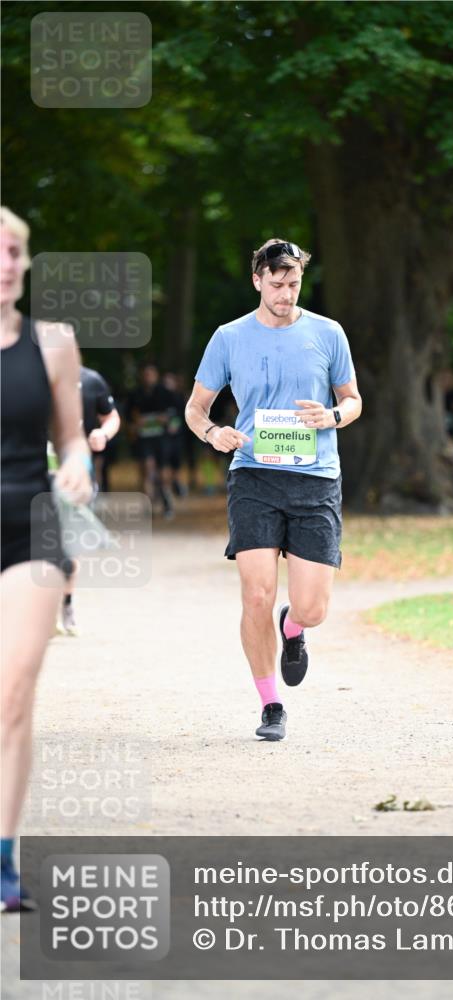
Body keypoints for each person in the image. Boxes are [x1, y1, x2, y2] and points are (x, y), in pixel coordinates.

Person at [185, 238, 362, 741]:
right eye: (278, 284)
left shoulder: (328, 334)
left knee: (313, 608)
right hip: (254, 476)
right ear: (258, 280)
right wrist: (213, 432)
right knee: (256, 594)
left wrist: (332, 415)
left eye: (294, 284)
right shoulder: (229, 337)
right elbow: (195, 408)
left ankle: (294, 627)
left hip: (316, 479)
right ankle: (271, 705)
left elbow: (352, 401)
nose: (287, 294)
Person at [1, 206, 91, 911]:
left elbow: (75, 437)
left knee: (14, 691)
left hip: (29, 526)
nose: (3, 263)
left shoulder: (54, 343)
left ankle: (2, 862)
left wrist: (80, 466)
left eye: (12, 251)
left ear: (25, 264)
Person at [57, 365, 121, 635]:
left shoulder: (91, 380)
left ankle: (66, 605)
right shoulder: (27, 376)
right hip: (33, 468)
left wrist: (103, 434)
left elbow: (112, 417)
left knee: (70, 540)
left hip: (77, 468)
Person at [127, 363, 174, 519]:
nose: (148, 377)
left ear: (156, 376)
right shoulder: (135, 394)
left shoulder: (165, 393)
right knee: (147, 469)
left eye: (151, 374)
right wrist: (134, 424)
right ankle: (149, 505)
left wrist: (167, 420)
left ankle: (166, 500)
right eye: (146, 374)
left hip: (161, 438)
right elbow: (127, 416)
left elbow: (176, 414)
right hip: (144, 439)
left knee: (162, 473)